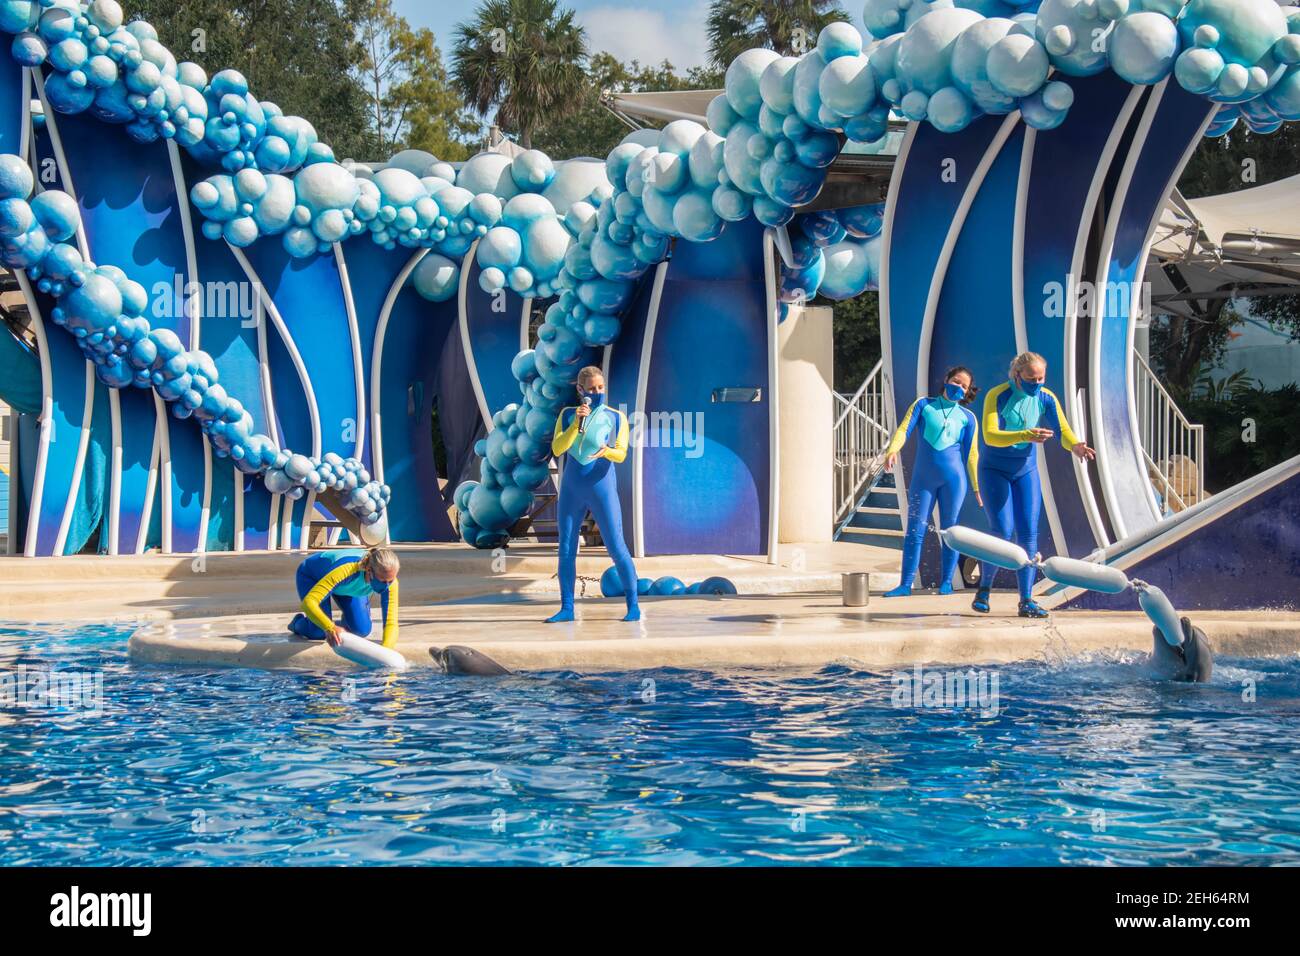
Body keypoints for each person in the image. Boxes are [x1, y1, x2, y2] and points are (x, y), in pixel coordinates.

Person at [974, 351, 1095, 618]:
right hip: (994, 469)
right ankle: (984, 588)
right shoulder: (997, 396)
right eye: (1031, 378)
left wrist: (1075, 445)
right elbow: (991, 436)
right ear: (1017, 375)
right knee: (1002, 531)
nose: (1037, 383)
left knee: (1028, 532)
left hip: (1025, 469)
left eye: (1041, 378)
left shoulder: (1045, 398)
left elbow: (1062, 430)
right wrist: (1026, 434)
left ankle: (1026, 600)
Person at [548, 366, 640, 623]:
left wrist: (606, 451)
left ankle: (633, 605)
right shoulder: (567, 415)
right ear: (580, 390)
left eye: (601, 388)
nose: (598, 392)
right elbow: (558, 448)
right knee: (566, 549)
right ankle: (567, 608)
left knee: (616, 546)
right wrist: (575, 425)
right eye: (592, 389)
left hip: (601, 487)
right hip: (572, 489)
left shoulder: (615, 417)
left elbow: (621, 454)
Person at [882, 366, 981, 597]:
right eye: (956, 382)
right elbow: (904, 429)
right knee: (915, 530)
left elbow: (972, 454)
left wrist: (976, 487)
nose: (959, 388)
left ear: (967, 393)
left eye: (964, 387)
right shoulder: (923, 405)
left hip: (954, 481)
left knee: (949, 530)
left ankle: (947, 582)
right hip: (923, 479)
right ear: (946, 379)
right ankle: (905, 584)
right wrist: (892, 450)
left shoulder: (968, 418)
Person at [287, 547, 400, 647]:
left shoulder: (390, 582)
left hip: (346, 587)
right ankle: (297, 623)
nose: (386, 586)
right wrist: (329, 627)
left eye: (390, 580)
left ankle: (339, 621)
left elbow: (391, 623)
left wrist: (387, 648)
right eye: (383, 580)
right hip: (313, 576)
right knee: (318, 632)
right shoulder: (347, 570)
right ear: (369, 571)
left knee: (361, 630)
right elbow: (308, 603)